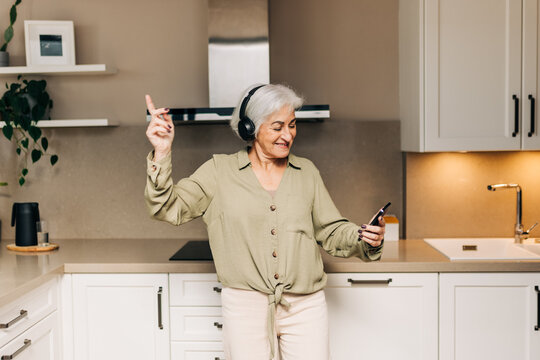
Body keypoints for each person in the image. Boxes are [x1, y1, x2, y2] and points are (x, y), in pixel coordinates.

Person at [144, 84, 385, 360]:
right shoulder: (218, 171)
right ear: (251, 128)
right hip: (245, 305)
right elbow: (166, 208)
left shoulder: (306, 172)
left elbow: (330, 230)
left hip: (305, 305)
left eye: (292, 125)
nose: (288, 135)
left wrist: (362, 235)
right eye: (278, 126)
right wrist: (161, 153)